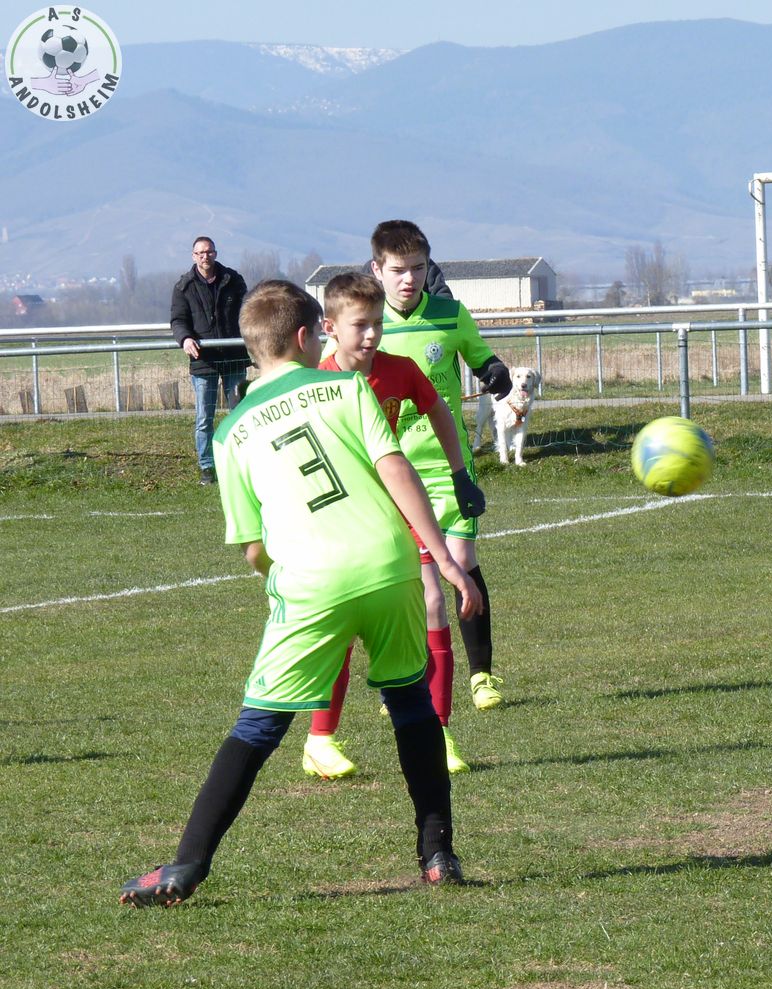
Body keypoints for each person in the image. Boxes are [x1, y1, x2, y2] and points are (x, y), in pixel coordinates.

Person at [119, 280, 483, 906]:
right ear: (304, 336)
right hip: (389, 565)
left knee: (258, 725)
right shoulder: (347, 388)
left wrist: (279, 579)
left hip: (311, 582)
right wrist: (445, 559)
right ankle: (437, 855)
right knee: (410, 704)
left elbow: (252, 546)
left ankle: (185, 866)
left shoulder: (230, 433)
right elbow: (395, 468)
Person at [300, 272, 486, 780]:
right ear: (329, 327)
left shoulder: (400, 370)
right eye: (360, 325)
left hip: (397, 508)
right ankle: (320, 739)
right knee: (342, 626)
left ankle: (440, 732)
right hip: (341, 521)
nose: (372, 335)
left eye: (378, 324)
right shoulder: (314, 383)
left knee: (432, 603)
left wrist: (459, 474)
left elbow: (439, 412)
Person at [368, 219, 512, 715]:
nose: (409, 278)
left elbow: (480, 356)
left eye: (418, 268)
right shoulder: (366, 325)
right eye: (398, 270)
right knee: (408, 580)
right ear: (377, 271)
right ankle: (410, 680)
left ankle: (481, 675)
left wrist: (494, 370)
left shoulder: (450, 315)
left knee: (462, 563)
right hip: (389, 472)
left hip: (448, 466)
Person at [170, 236, 249, 484]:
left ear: (215, 253)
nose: (205, 256)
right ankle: (207, 466)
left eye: (209, 252)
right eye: (200, 253)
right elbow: (178, 320)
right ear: (194, 256)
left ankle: (241, 462)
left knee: (239, 413)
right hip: (203, 361)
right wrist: (185, 339)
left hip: (234, 358)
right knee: (204, 418)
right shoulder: (184, 287)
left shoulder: (233, 280)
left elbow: (248, 312)